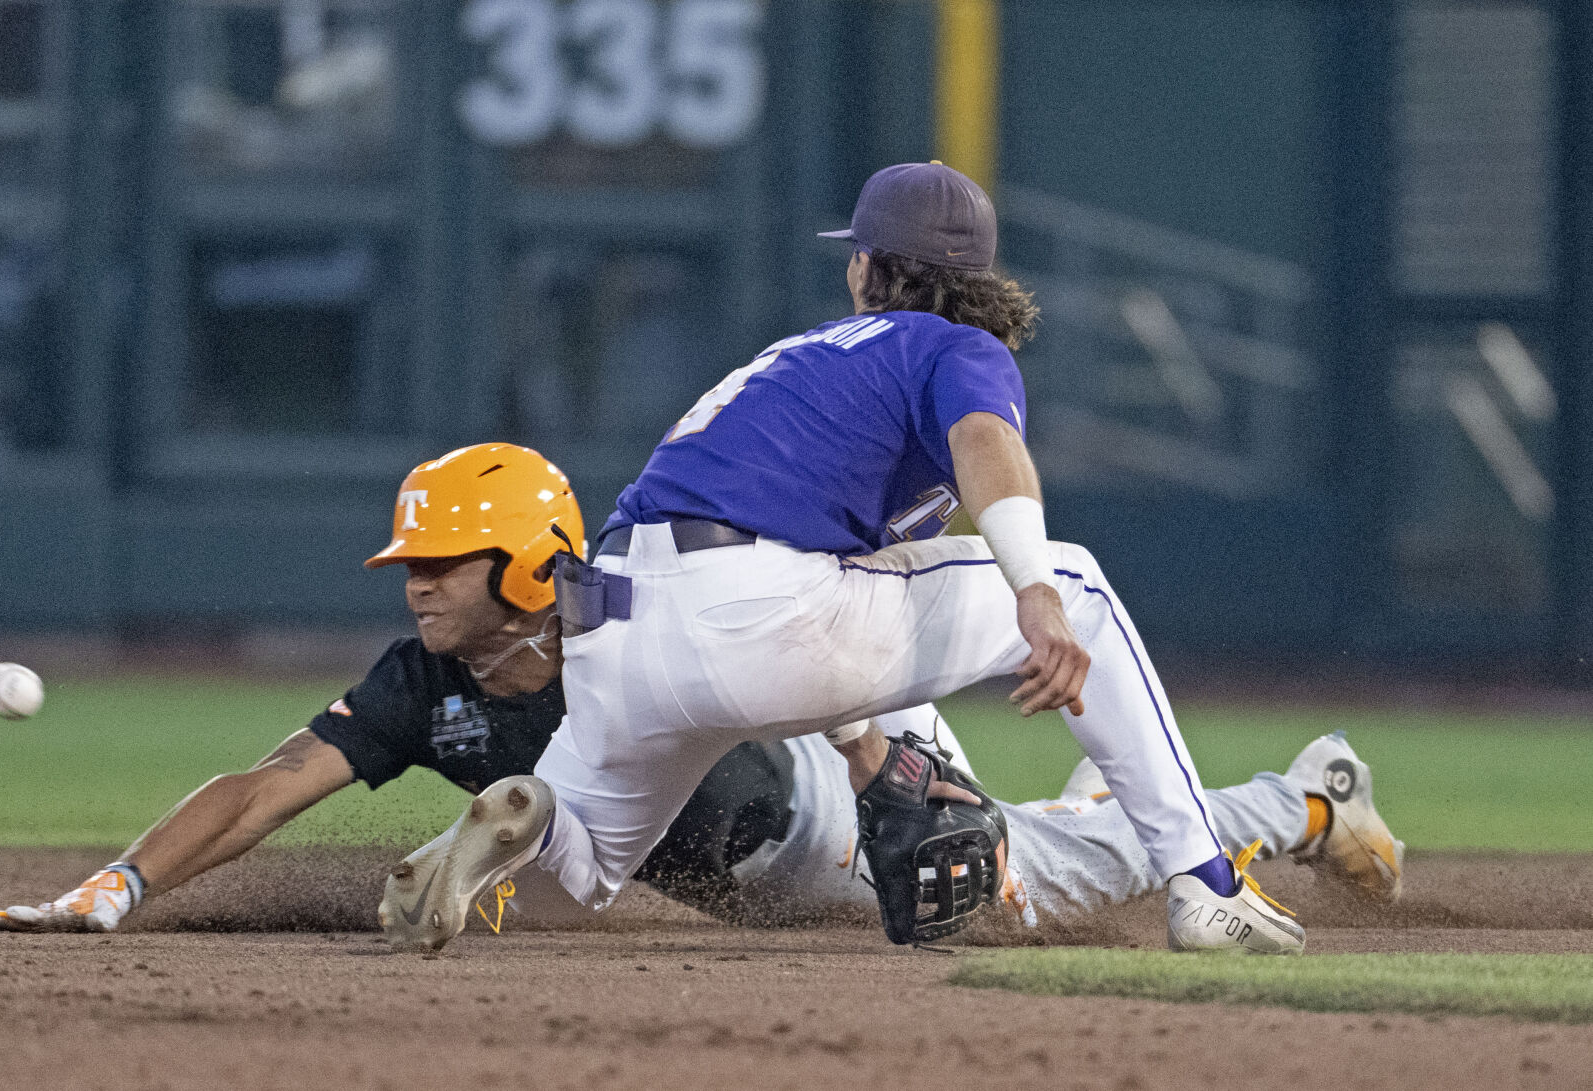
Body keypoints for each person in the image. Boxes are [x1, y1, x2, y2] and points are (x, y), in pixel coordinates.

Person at [380, 162, 1338, 955]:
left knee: (583, 864)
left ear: (866, 268)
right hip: (759, 609)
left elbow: (880, 588)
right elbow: (988, 450)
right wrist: (1035, 593)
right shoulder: (949, 345)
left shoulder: (801, 360)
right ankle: (1207, 884)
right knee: (1079, 581)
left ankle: (532, 820)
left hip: (617, 621)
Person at [0, 442, 1404, 936]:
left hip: (817, 783)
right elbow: (265, 783)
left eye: (446, 561)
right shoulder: (421, 681)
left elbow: (771, 645)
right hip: (745, 859)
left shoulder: (624, 602)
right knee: (1038, 849)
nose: (414, 582)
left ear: (531, 565)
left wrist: (874, 752)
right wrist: (114, 883)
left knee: (1032, 884)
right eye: (410, 559)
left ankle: (1305, 797)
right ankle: (509, 845)